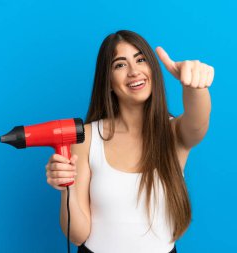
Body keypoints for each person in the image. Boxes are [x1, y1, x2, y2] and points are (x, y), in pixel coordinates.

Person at [45, 30, 214, 253]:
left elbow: (198, 123)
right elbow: (78, 235)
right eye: (120, 65)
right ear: (108, 82)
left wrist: (195, 87)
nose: (134, 71)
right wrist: (66, 188)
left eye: (141, 60)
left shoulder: (173, 132)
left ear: (152, 69)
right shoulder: (86, 138)